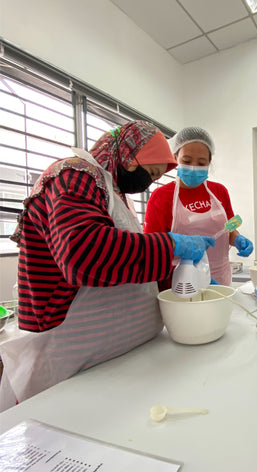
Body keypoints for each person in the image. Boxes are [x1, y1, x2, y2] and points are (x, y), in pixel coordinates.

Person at [0, 121, 215, 411]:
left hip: (111, 362)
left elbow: (127, 258)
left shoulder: (109, 189)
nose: (147, 183)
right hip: (67, 359)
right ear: (130, 155)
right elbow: (82, 253)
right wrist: (170, 245)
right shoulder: (73, 176)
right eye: (150, 172)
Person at [144, 127, 253, 287]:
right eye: (187, 161)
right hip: (180, 283)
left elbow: (229, 227)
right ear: (175, 157)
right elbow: (152, 248)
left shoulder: (219, 191)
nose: (194, 167)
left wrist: (237, 238)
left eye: (201, 163)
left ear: (209, 162)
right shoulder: (161, 196)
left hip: (220, 278)